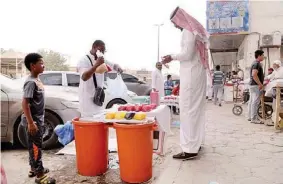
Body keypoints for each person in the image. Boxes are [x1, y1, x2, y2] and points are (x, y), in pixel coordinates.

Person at [162, 7, 209, 160]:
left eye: (175, 22)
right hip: (196, 74)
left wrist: (172, 56)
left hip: (191, 74)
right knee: (196, 110)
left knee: (187, 110)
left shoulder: (188, 31)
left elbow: (187, 54)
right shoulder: (194, 31)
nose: (175, 25)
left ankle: (189, 148)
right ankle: (196, 143)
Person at [21, 53, 56, 184]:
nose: (43, 65)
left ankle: (33, 168)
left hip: (38, 120)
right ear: (32, 66)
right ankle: (40, 176)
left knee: (35, 146)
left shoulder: (37, 80)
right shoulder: (30, 82)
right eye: (41, 63)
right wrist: (31, 123)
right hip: (33, 122)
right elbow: (25, 103)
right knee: (36, 147)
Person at [77, 40, 122, 117]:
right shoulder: (84, 60)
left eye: (104, 51)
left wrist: (117, 67)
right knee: (89, 122)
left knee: (99, 120)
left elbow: (112, 65)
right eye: (101, 50)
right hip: (87, 99)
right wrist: (96, 65)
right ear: (94, 47)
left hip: (98, 97)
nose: (102, 52)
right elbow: (84, 77)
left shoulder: (101, 59)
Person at [247, 50, 265, 123]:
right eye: (263, 55)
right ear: (259, 55)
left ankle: (250, 116)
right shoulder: (257, 64)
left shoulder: (254, 63)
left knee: (251, 101)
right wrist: (260, 84)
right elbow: (254, 75)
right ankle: (254, 118)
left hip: (252, 85)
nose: (263, 57)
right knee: (255, 102)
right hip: (255, 85)